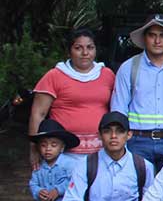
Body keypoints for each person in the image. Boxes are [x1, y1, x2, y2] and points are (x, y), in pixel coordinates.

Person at [28, 28, 116, 172]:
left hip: (101, 152)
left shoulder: (107, 75)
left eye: (90, 47)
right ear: (69, 51)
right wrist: (34, 148)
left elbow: (115, 110)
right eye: (78, 48)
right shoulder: (55, 76)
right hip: (64, 154)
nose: (85, 53)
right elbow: (38, 113)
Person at [111, 14, 163, 173]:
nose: (157, 41)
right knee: (138, 191)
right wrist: (120, 142)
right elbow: (118, 108)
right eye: (152, 35)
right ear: (144, 38)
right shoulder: (129, 68)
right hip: (138, 141)